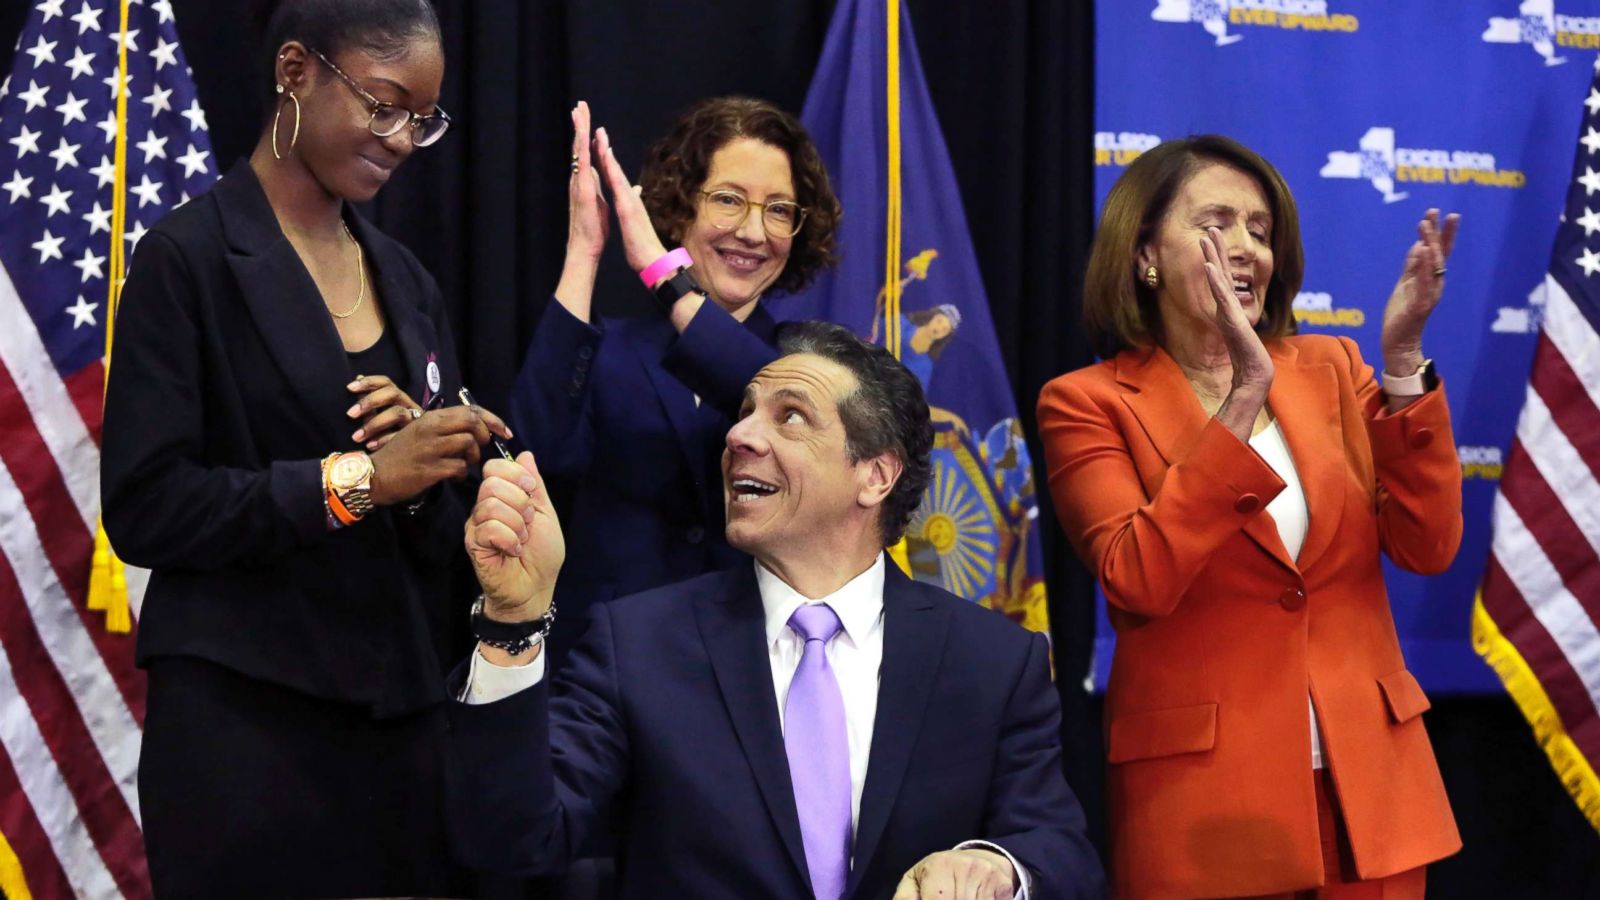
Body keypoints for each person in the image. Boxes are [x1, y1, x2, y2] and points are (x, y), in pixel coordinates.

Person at [450, 322, 1105, 899]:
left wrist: (995, 868)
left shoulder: (993, 660)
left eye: (790, 416)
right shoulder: (640, 642)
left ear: (875, 476)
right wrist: (512, 621)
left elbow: (1062, 850)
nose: (738, 435)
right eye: (744, 413)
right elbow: (513, 841)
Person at [100, 1, 509, 895]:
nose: (401, 139)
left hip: (400, 729)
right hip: (245, 734)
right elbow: (148, 507)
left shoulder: (406, 279)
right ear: (296, 70)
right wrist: (358, 479)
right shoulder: (187, 260)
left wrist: (441, 467)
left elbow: (432, 539)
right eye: (383, 103)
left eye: (421, 119)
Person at [1036, 135, 1463, 898]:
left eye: (1260, 232)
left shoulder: (1332, 369)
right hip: (1207, 807)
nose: (1245, 249)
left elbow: (1427, 545)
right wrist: (1240, 401)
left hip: (1370, 794)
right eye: (1217, 225)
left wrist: (1400, 363)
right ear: (1146, 258)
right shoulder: (1086, 403)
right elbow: (1138, 579)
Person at [507, 97, 841, 660]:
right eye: (729, 200)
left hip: (756, 668)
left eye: (779, 210)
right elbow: (533, 454)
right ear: (682, 206)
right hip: (607, 669)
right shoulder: (606, 348)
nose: (754, 232)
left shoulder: (814, 361)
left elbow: (772, 398)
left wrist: (661, 275)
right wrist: (585, 251)